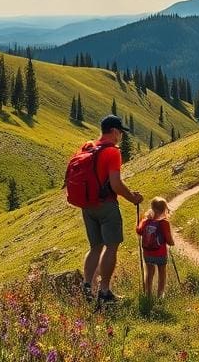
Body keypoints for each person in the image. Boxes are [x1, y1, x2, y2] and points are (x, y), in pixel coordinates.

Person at [78, 115, 144, 307]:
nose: (121, 136)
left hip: (87, 205)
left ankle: (87, 287)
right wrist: (133, 198)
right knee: (111, 246)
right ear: (114, 131)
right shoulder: (112, 152)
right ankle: (105, 292)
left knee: (95, 247)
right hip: (106, 205)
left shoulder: (88, 147)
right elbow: (115, 184)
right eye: (121, 132)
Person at [136, 197, 175, 299]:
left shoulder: (145, 221)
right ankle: (160, 295)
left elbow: (139, 231)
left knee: (149, 273)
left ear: (152, 208)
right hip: (160, 254)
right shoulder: (164, 223)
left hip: (148, 254)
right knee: (162, 273)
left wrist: (140, 219)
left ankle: (148, 294)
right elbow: (169, 240)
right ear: (164, 209)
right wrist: (171, 243)